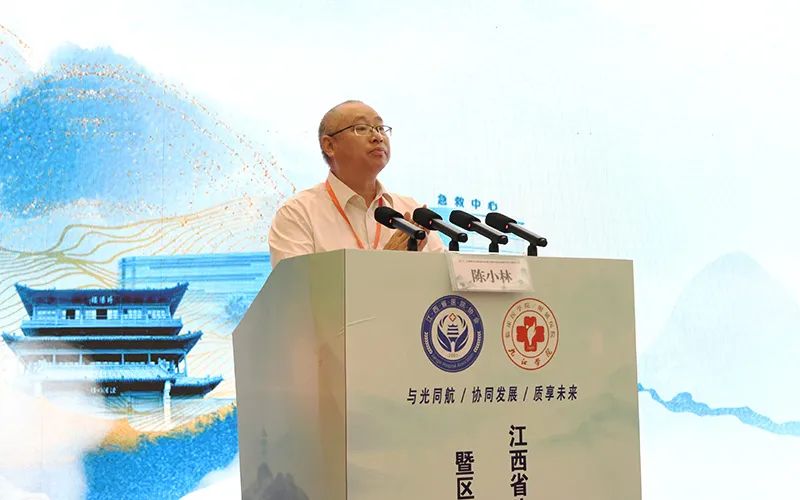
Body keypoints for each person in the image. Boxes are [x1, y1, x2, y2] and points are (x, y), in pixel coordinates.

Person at [268, 100, 444, 268]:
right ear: (329, 146)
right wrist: (387, 263)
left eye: (380, 128)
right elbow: (298, 288)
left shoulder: (412, 212)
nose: (378, 137)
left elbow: (446, 282)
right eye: (361, 128)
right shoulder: (298, 214)